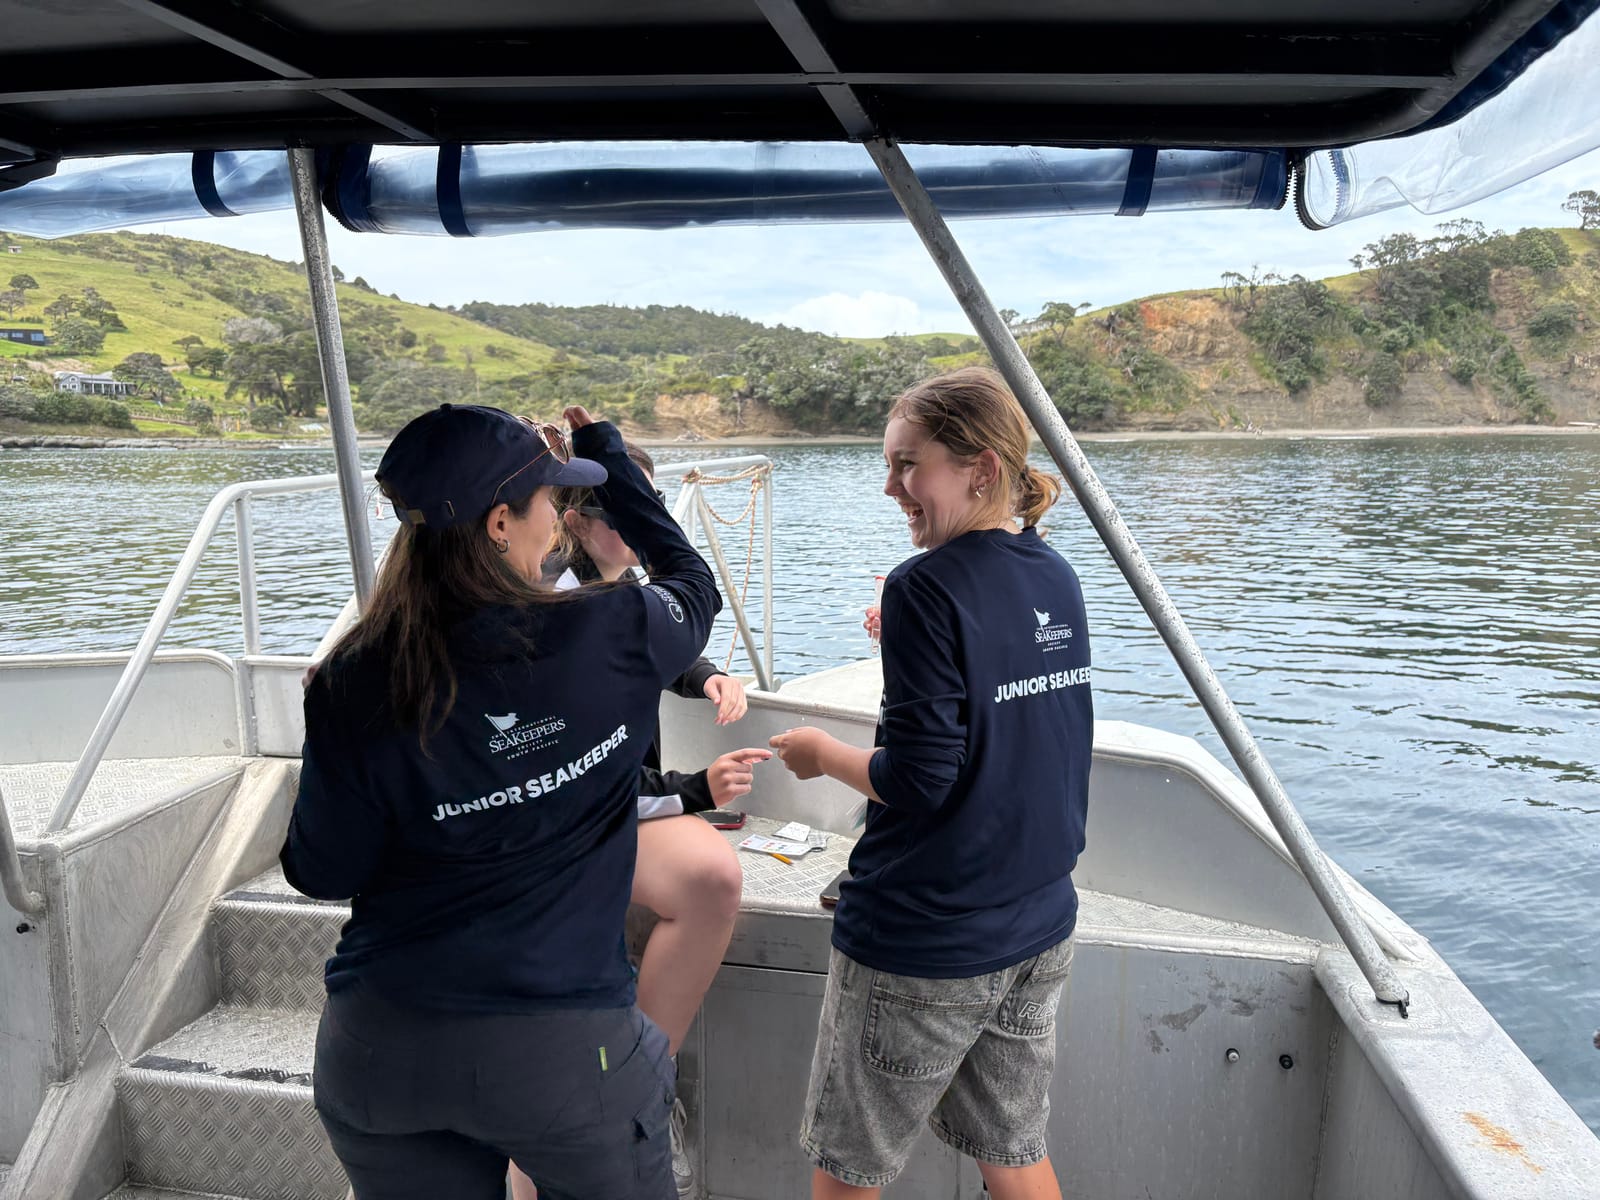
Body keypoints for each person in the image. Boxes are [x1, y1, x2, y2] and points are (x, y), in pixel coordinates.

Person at [281, 403, 720, 1200]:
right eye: (552, 501)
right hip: (564, 1052)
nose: (558, 522)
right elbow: (692, 583)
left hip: (383, 1049)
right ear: (498, 524)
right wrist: (607, 456)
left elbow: (320, 869)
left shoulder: (350, 680)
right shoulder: (614, 630)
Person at [769, 367, 1093, 1200]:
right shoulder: (1053, 573)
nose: (890, 487)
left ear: (980, 468)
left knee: (851, 1170)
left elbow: (918, 779)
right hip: (1038, 926)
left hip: (925, 937)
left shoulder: (923, 587)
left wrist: (819, 753)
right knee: (1015, 1154)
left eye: (908, 464)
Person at [509, 447, 769, 1200]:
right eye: (628, 512)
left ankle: (645, 1086)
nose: (640, 530)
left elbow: (648, 633)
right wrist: (693, 791)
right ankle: (626, 1105)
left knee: (712, 876)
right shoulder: (557, 610)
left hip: (607, 806)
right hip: (576, 822)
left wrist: (706, 672)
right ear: (577, 523)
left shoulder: (606, 597)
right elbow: (585, 776)